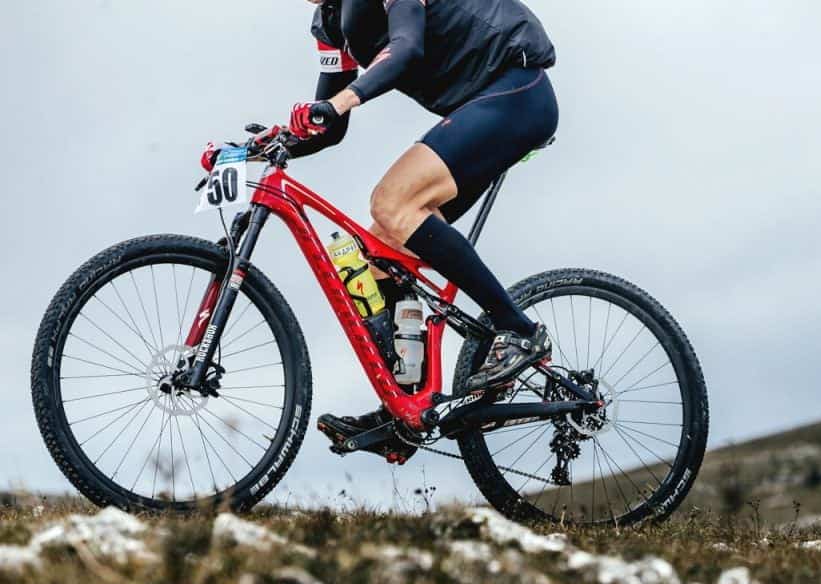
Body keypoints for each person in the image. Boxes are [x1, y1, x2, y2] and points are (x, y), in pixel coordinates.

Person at [205, 0, 559, 448]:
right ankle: (408, 409)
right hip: (477, 109)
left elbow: (406, 47)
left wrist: (337, 103)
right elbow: (328, 128)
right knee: (380, 251)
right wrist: (254, 148)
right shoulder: (331, 25)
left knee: (392, 202)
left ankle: (519, 331)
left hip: (516, 91)